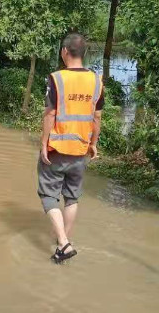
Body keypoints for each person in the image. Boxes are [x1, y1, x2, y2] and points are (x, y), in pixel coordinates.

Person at [37, 32, 104, 264]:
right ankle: (62, 242)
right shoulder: (97, 81)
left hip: (57, 149)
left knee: (48, 195)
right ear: (83, 53)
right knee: (72, 198)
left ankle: (64, 243)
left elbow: (50, 113)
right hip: (80, 151)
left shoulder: (56, 78)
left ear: (64, 52)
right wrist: (93, 144)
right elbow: (97, 117)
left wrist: (43, 143)